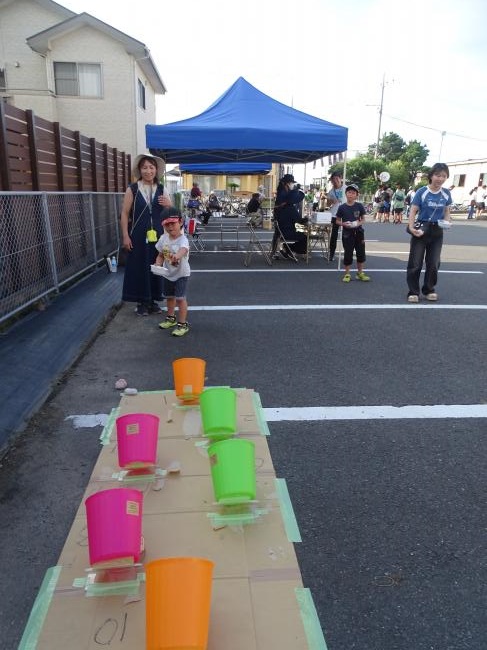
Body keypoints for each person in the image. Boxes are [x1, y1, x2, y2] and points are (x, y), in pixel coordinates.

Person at [120, 154, 172, 316]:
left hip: (159, 236)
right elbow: (124, 213)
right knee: (139, 267)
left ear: (156, 170)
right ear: (140, 170)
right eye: (145, 167)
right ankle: (141, 302)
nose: (148, 171)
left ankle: (154, 300)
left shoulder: (162, 189)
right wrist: (125, 236)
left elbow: (171, 214)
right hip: (137, 235)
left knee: (156, 265)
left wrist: (169, 205)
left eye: (151, 167)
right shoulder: (133, 189)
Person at [406, 162, 452, 303]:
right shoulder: (422, 191)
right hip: (422, 228)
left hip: (437, 230)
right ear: (431, 176)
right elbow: (413, 210)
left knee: (434, 263)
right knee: (415, 263)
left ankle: (429, 289)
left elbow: (447, 211)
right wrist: (411, 227)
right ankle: (413, 292)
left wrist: (447, 222)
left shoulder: (446, 193)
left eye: (444, 176)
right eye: (437, 175)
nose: (440, 178)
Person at [154, 208, 191, 337]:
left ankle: (182, 324)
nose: (170, 227)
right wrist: (158, 264)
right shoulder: (163, 238)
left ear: (180, 222)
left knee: (180, 299)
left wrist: (177, 256)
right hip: (168, 274)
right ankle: (171, 318)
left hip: (181, 274)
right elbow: (160, 255)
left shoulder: (183, 239)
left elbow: (183, 250)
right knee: (169, 297)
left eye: (173, 223)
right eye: (166, 224)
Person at [335, 183, 370, 283]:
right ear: (346, 194)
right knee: (348, 253)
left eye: (353, 193)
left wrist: (357, 224)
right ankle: (347, 274)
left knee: (361, 253)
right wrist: (343, 224)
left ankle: (360, 273)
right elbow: (337, 221)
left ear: (356, 195)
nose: (350, 194)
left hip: (359, 233)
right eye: (349, 192)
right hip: (347, 233)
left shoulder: (359, 206)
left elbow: (363, 219)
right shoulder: (342, 207)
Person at [273, 173, 307, 258]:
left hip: (284, 228)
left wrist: (302, 222)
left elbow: (296, 220)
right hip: (287, 230)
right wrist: (305, 221)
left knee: (304, 231)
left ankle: (288, 248)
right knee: (306, 235)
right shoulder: (287, 204)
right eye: (291, 183)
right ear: (287, 184)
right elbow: (297, 221)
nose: (292, 185)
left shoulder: (282, 196)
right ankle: (288, 248)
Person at [326, 171, 344, 261]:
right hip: (334, 215)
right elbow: (328, 204)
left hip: (345, 214)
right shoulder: (331, 191)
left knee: (347, 235)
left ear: (341, 179)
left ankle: (349, 252)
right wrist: (331, 200)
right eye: (333, 180)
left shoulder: (346, 188)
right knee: (334, 235)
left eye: (337, 179)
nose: (335, 181)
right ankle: (331, 254)